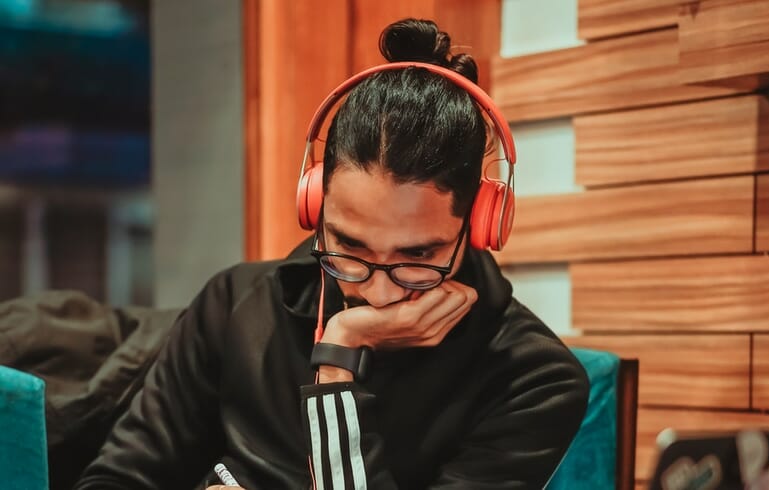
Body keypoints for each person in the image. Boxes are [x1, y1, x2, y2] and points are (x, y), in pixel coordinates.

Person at [75, 18, 589, 490]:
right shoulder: (235, 305)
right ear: (314, 202)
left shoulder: (534, 380)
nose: (377, 291)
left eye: (418, 255)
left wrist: (338, 358)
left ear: (480, 223)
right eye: (349, 245)